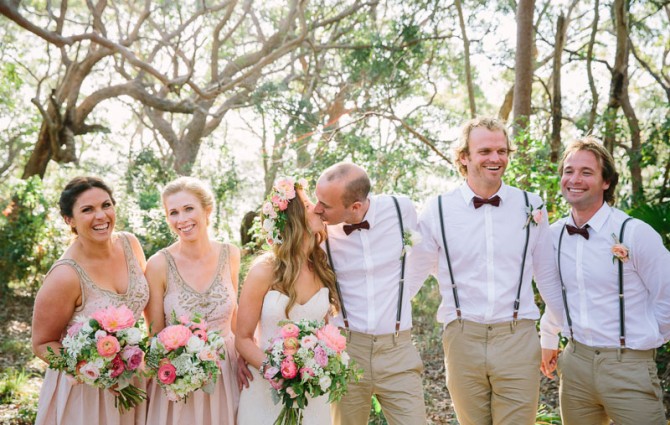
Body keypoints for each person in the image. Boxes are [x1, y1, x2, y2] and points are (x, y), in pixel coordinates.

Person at [409, 116, 563, 425]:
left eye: (502, 151)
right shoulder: (438, 209)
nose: (496, 158)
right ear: (464, 156)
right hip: (462, 338)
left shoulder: (531, 205)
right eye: (485, 151)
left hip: (518, 336)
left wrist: (554, 334)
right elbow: (412, 274)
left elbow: (546, 274)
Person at [539, 137, 670, 425]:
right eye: (569, 171)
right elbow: (559, 294)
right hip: (574, 365)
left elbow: (667, 297)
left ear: (606, 181)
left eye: (587, 172)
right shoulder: (553, 235)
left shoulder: (635, 233)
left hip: (628, 366)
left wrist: (643, 343)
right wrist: (549, 337)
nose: (575, 179)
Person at [313, 163, 427, 425]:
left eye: (325, 205)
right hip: (346, 350)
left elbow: (423, 257)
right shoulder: (319, 228)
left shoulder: (402, 209)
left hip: (398, 351)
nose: (317, 209)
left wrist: (403, 298)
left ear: (355, 206)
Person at [32, 176, 150, 425]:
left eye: (106, 205)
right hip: (85, 395)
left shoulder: (130, 244)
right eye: (87, 210)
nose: (101, 216)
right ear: (69, 220)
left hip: (133, 379)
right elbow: (42, 343)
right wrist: (97, 372)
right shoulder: (65, 275)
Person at [236, 176, 340, 424]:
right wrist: (275, 373)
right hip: (264, 389)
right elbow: (242, 338)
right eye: (306, 205)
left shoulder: (322, 267)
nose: (316, 208)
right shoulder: (264, 271)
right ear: (294, 219)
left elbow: (325, 334)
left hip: (311, 392)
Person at [144, 176, 241, 424]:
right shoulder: (158, 264)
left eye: (189, 208)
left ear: (207, 211)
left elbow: (235, 314)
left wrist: (244, 359)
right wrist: (179, 369)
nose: (182, 219)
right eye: (173, 212)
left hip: (227, 371)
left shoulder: (230, 254)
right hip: (179, 374)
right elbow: (154, 335)